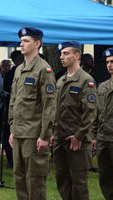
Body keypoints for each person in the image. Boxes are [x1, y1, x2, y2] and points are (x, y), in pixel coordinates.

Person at [8, 27, 56, 200]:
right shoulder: (19, 69)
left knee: (34, 180)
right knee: (19, 178)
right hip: (19, 133)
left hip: (34, 135)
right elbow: (14, 101)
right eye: (21, 41)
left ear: (37, 43)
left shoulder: (44, 69)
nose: (21, 43)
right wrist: (12, 129)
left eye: (26, 41)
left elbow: (49, 105)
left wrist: (44, 135)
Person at [53, 41, 97, 200]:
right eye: (61, 54)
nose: (61, 57)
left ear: (77, 56)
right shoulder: (61, 81)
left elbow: (90, 112)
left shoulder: (86, 80)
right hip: (60, 139)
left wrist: (79, 136)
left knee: (79, 185)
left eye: (66, 53)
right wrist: (53, 133)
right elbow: (56, 111)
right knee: (62, 181)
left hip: (77, 142)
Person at [92, 47, 113, 199]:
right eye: (107, 62)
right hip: (103, 139)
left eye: (112, 62)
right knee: (105, 177)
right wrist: (93, 136)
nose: (109, 65)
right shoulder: (102, 86)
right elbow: (96, 113)